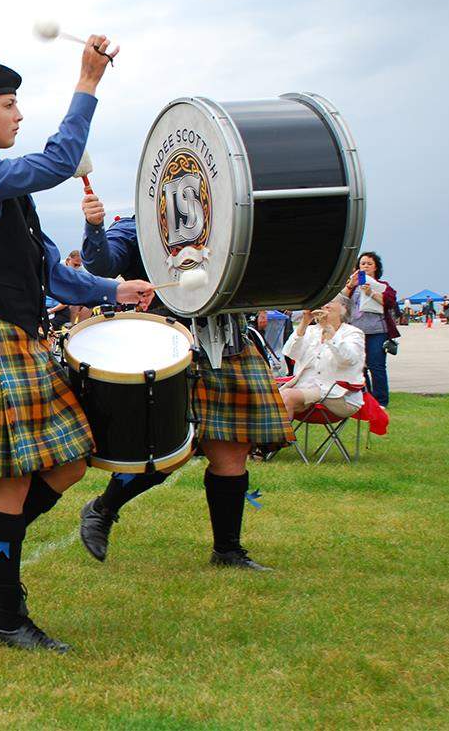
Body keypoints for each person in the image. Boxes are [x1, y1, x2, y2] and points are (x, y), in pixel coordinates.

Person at [0, 45, 155, 651]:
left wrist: (113, 287)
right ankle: (6, 615)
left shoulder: (1, 186)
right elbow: (59, 161)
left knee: (71, 462)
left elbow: (48, 267)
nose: (18, 114)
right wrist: (86, 82)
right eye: (9, 105)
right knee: (14, 484)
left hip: (23, 341)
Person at [77, 185, 294, 571]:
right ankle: (102, 509)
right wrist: (94, 227)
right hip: (170, 348)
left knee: (232, 451)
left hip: (228, 341)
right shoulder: (137, 227)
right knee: (164, 450)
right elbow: (103, 264)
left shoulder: (227, 218)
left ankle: (227, 550)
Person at [279, 296, 365, 418]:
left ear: (344, 309)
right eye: (324, 303)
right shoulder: (310, 330)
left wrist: (329, 331)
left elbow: (348, 359)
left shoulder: (353, 333)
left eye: (331, 302)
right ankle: (272, 436)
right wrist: (304, 322)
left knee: (286, 397)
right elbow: (290, 352)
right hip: (304, 388)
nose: (326, 305)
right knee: (267, 398)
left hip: (338, 394)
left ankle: (283, 437)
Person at [340, 251, 397, 407]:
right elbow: (340, 301)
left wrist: (371, 292)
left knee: (376, 365)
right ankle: (366, 398)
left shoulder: (383, 286)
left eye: (369, 264)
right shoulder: (352, 286)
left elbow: (390, 302)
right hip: (355, 332)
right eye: (362, 263)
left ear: (376, 267)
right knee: (359, 366)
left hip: (377, 332)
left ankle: (381, 401)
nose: (365, 266)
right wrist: (350, 285)